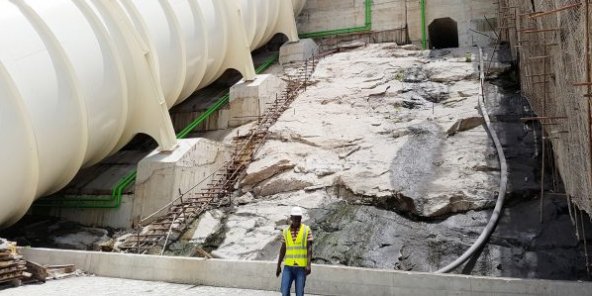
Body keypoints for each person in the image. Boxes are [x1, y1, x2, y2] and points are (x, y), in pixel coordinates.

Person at [276, 206, 313, 296]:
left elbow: (309, 248)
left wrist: (308, 265)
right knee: (284, 292)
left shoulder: (306, 230)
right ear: (291, 218)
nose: (296, 219)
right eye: (294, 217)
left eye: (298, 217)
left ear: (301, 218)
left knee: (299, 293)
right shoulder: (285, 231)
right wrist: (278, 265)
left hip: (301, 268)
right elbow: (283, 249)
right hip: (288, 267)